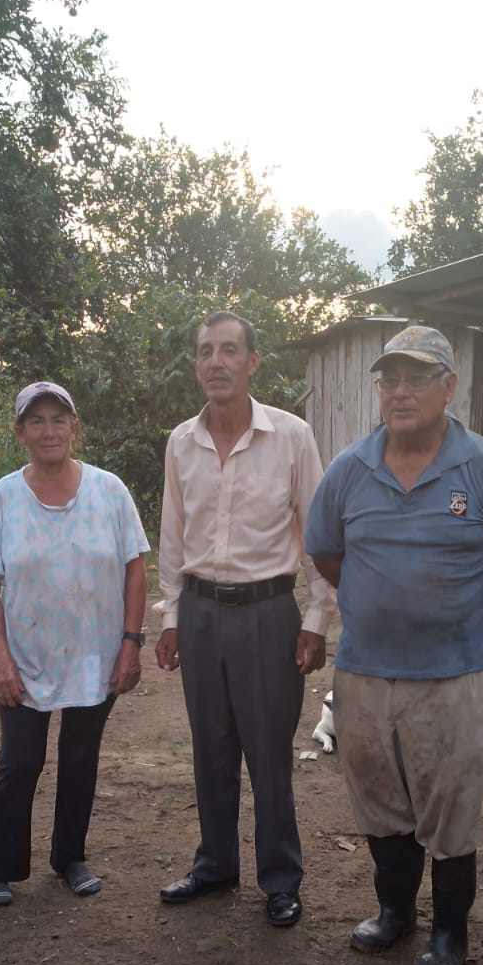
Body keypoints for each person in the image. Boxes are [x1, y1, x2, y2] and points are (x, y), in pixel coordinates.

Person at [304, 325, 483, 965]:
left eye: (417, 378)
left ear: (449, 386)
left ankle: (449, 933)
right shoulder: (350, 469)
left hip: (453, 675)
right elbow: (326, 552)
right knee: (380, 801)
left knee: (452, 806)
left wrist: (461, 611)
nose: (401, 392)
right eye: (390, 380)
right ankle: (395, 912)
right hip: (365, 672)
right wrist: (377, 604)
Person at [155, 311, 333, 927]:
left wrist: (317, 617)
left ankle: (280, 879)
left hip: (268, 615)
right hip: (201, 613)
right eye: (206, 351)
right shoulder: (182, 443)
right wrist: (172, 615)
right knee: (210, 747)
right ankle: (215, 865)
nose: (217, 362)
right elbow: (173, 535)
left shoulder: (290, 436)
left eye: (230, 350)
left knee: (268, 753)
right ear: (196, 364)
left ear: (253, 362)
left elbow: (318, 533)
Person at [0, 381, 149, 906]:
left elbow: (135, 569)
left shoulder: (109, 491)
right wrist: (1, 658)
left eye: (58, 419)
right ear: (20, 432)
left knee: (80, 758)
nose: (48, 431)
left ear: (75, 428)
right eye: (36, 421)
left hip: (95, 654)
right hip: (24, 658)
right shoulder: (4, 497)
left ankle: (69, 856)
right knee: (21, 762)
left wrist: (131, 643)